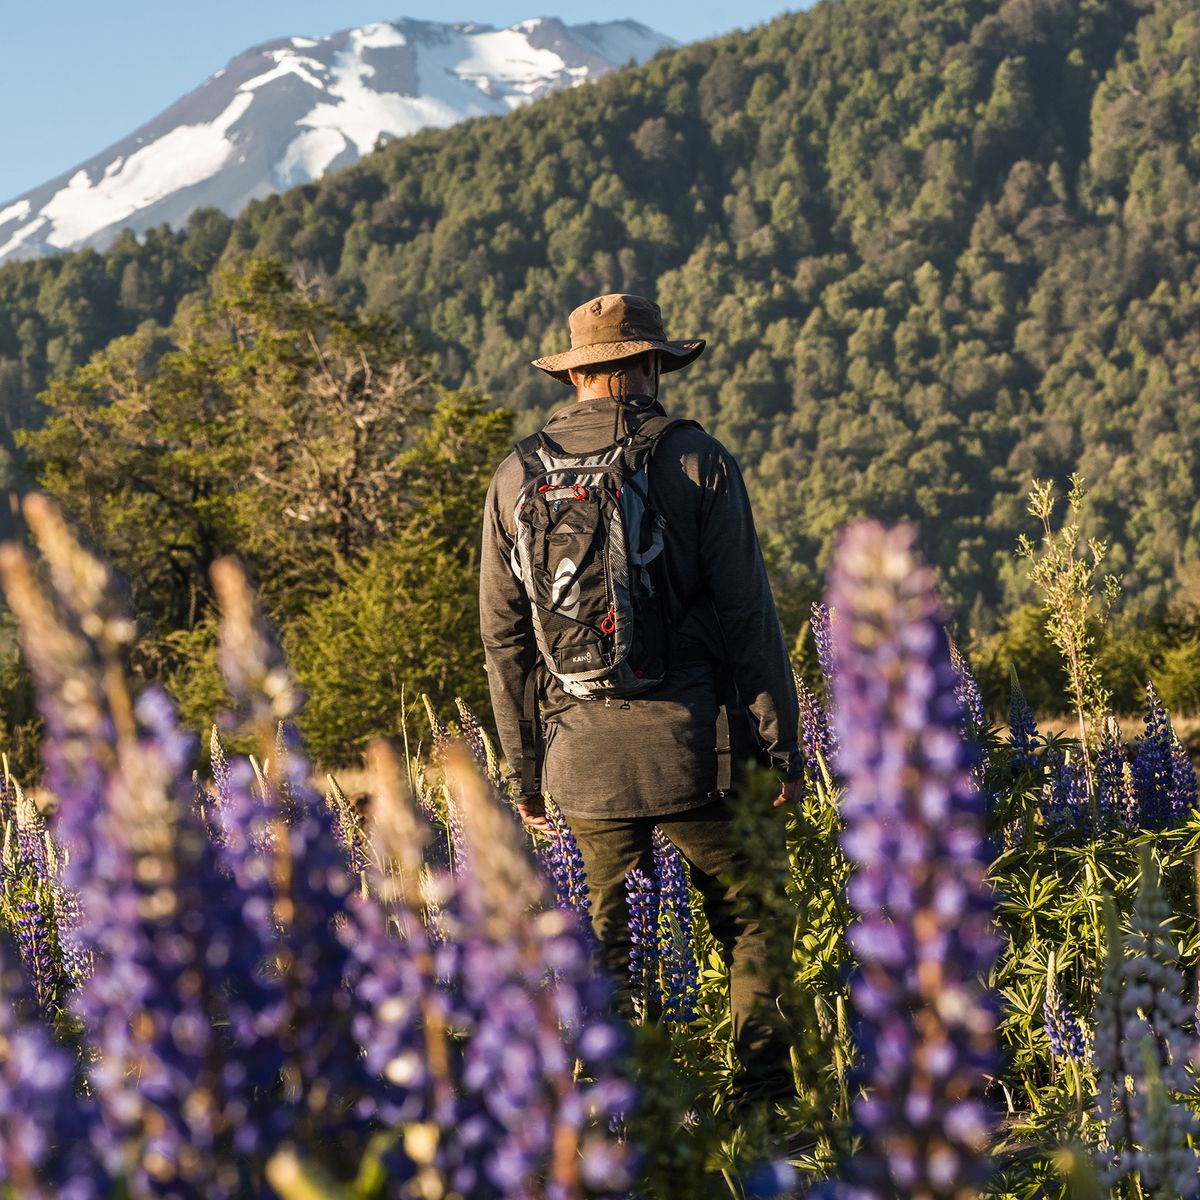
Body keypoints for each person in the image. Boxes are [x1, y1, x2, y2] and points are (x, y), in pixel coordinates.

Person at [478, 292, 802, 1109]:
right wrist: (781, 746)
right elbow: (748, 618)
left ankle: (634, 1123)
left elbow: (505, 641)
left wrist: (523, 775)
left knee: (611, 948)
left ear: (578, 371)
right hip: (701, 749)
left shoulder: (515, 474)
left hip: (578, 756)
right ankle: (759, 1105)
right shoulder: (698, 460)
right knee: (753, 918)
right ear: (650, 366)